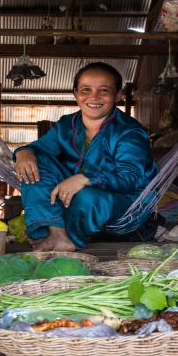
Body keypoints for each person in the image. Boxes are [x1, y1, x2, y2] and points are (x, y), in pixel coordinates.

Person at [14, 62, 157, 252]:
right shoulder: (66, 125)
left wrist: (86, 179)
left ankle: (70, 238)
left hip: (124, 202)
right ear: (75, 93)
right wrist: (23, 152)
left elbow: (131, 178)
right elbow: (39, 150)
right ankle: (56, 234)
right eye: (85, 89)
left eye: (104, 90)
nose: (94, 97)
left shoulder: (129, 132)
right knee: (34, 164)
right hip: (71, 197)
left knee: (86, 196)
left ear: (118, 95)